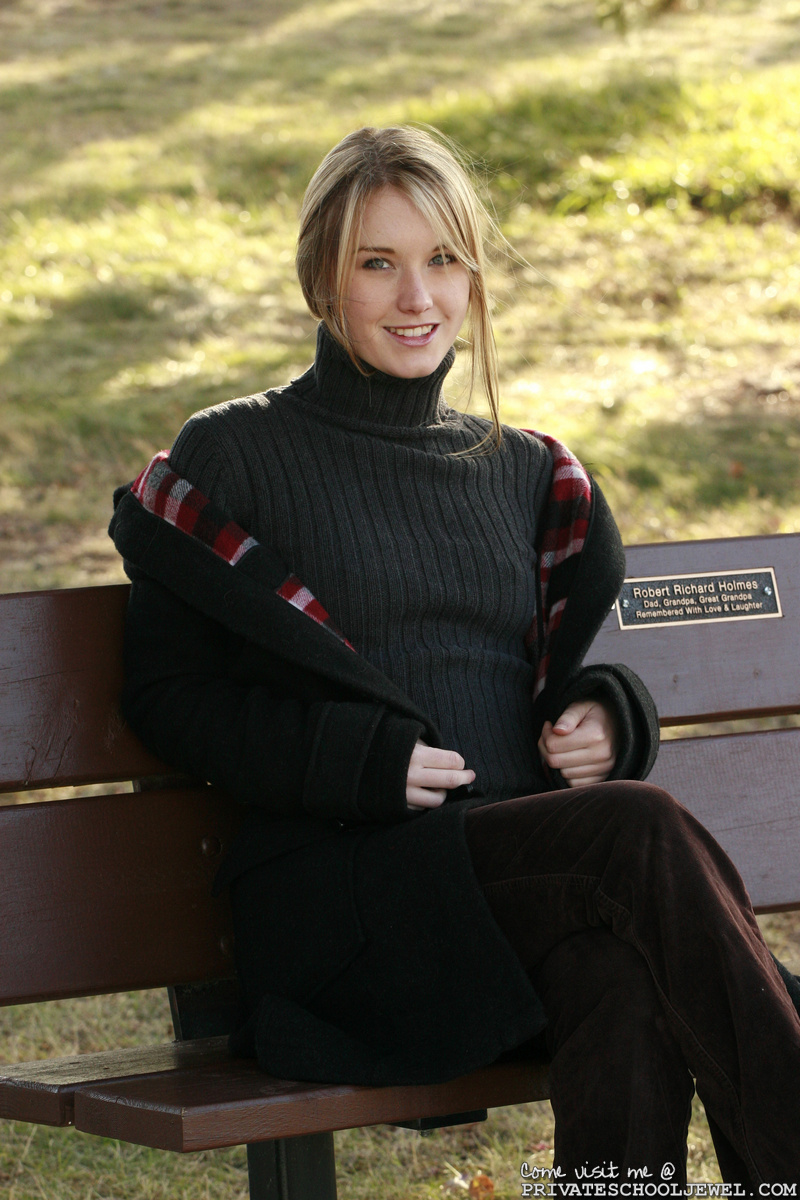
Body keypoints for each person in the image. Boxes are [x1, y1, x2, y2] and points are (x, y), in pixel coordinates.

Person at [110, 125, 800, 1188]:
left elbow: (563, 671)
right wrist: (347, 759)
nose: (414, 295)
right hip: (342, 907)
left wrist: (608, 718)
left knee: (617, 975)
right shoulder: (235, 454)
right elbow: (165, 696)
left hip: (509, 887)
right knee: (635, 828)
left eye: (441, 261)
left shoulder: (524, 472)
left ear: (473, 280)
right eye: (375, 263)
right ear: (319, 280)